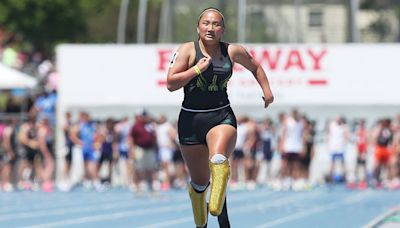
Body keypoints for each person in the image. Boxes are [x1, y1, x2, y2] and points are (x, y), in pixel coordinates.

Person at [166, 7, 274, 228]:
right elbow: (171, 83)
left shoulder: (232, 51)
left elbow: (255, 67)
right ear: (198, 27)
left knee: (218, 159)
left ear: (223, 30)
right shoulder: (187, 50)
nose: (210, 28)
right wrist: (196, 69)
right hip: (190, 120)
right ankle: (203, 221)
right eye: (206, 23)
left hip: (220, 115)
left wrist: (267, 91)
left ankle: (216, 208)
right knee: (199, 183)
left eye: (216, 24)